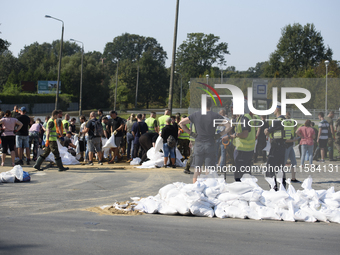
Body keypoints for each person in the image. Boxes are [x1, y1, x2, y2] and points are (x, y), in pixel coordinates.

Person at [179, 99, 230, 183]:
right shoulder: (215, 115)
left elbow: (181, 123)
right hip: (210, 143)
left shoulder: (195, 115)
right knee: (208, 169)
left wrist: (191, 133)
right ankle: (208, 189)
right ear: (211, 105)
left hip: (198, 143)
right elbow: (228, 125)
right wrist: (219, 135)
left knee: (197, 169)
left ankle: (196, 188)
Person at [224, 108, 256, 182]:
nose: (232, 110)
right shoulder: (241, 118)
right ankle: (246, 189)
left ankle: (240, 189)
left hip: (243, 150)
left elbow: (245, 134)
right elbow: (231, 123)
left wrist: (233, 135)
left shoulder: (244, 118)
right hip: (247, 149)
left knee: (239, 175)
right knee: (246, 174)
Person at [264, 105, 287, 190]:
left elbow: (267, 131)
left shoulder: (277, 121)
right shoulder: (285, 120)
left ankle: (273, 188)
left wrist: (265, 130)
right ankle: (283, 188)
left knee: (270, 168)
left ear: (277, 110)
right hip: (282, 146)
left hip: (275, 147)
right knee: (280, 168)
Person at [283, 112, 299, 183]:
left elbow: (295, 128)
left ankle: (293, 178)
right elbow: (285, 139)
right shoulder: (284, 123)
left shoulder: (291, 122)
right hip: (286, 145)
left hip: (290, 145)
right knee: (283, 163)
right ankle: (282, 178)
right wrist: (294, 140)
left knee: (294, 162)